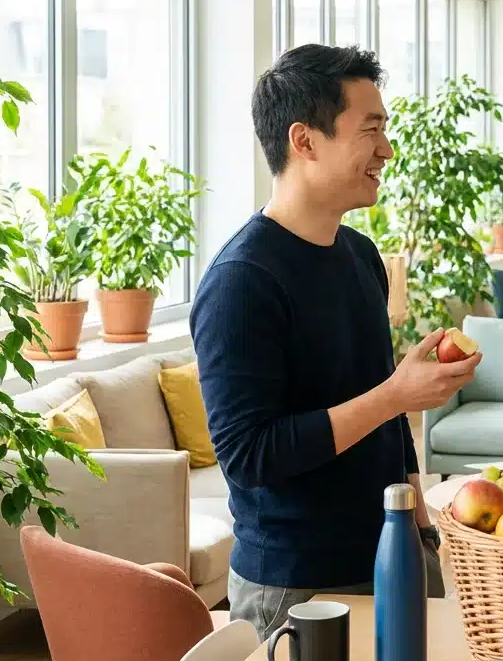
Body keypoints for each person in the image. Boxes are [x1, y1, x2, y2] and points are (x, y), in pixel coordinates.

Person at [191, 44, 482, 639]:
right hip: (296, 585)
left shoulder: (360, 255)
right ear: (304, 140)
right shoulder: (242, 281)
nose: (386, 149)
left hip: (393, 553)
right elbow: (249, 458)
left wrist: (422, 531)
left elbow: (385, 414)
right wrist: (396, 395)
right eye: (369, 129)